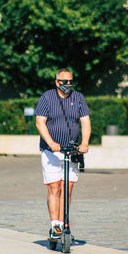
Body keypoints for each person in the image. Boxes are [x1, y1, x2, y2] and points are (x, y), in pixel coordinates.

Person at [34, 68, 91, 238]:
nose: (67, 85)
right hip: (51, 151)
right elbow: (40, 122)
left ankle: (64, 222)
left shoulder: (78, 97)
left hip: (71, 150)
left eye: (70, 81)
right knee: (54, 187)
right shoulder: (47, 97)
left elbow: (85, 122)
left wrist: (85, 143)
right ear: (56, 82)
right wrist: (51, 142)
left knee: (67, 189)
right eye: (63, 82)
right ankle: (55, 226)